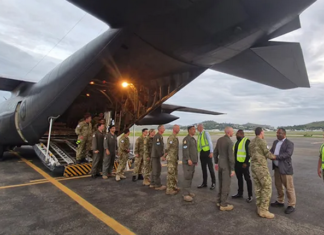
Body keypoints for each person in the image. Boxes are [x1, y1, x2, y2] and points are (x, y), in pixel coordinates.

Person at [249, 127, 276, 219]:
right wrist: (275, 157)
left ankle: (259, 207)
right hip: (261, 167)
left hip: (253, 166)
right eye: (263, 132)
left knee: (258, 187)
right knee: (267, 186)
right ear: (261, 132)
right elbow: (267, 154)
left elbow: (250, 154)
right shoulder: (262, 141)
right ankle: (264, 210)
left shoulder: (251, 142)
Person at [270, 128, 296, 214]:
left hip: (285, 169)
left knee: (289, 187)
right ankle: (280, 201)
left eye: (279, 133)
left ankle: (291, 205)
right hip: (277, 168)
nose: (277, 135)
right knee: (278, 185)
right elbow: (271, 151)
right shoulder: (275, 142)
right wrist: (267, 153)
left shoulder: (289, 144)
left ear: (284, 134)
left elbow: (288, 154)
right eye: (277, 133)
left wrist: (275, 157)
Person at [213, 126, 235, 211]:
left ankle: (219, 200)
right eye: (232, 132)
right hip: (226, 165)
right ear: (229, 132)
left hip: (220, 163)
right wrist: (232, 168)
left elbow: (215, 152)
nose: (233, 133)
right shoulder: (229, 142)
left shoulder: (220, 140)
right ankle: (223, 204)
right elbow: (230, 157)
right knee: (226, 184)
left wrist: (216, 162)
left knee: (221, 183)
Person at [232, 130, 253, 202]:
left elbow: (249, 153)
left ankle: (250, 195)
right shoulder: (237, 142)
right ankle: (240, 193)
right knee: (239, 179)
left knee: (247, 179)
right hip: (237, 164)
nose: (236, 135)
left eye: (237, 134)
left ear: (241, 134)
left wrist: (246, 163)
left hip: (244, 164)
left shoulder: (246, 141)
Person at [197, 124, 216, 190]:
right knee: (203, 169)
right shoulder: (199, 134)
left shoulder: (206, 133)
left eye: (198, 127)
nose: (197, 128)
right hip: (202, 153)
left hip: (207, 152)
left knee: (210, 168)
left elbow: (210, 142)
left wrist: (211, 152)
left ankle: (213, 183)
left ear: (201, 127)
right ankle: (204, 183)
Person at [182, 125, 198, 202]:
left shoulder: (193, 139)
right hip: (188, 162)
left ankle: (188, 192)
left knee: (190, 177)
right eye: (193, 129)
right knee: (187, 177)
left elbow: (195, 151)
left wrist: (195, 160)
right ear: (189, 130)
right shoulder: (186, 139)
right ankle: (185, 194)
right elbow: (185, 150)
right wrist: (188, 159)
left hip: (193, 162)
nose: (195, 131)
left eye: (195, 129)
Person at [150, 125, 167, 191]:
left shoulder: (159, 136)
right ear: (160, 129)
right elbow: (158, 147)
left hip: (155, 155)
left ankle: (152, 183)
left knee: (154, 170)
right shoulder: (157, 136)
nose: (164, 129)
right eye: (163, 128)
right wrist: (162, 155)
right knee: (156, 170)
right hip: (156, 156)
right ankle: (157, 185)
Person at [165, 125, 180, 195]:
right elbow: (167, 147)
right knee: (170, 173)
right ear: (174, 129)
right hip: (171, 158)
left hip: (174, 158)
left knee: (174, 173)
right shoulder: (171, 137)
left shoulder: (175, 137)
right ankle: (169, 189)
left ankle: (174, 186)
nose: (179, 129)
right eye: (178, 128)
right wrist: (164, 155)